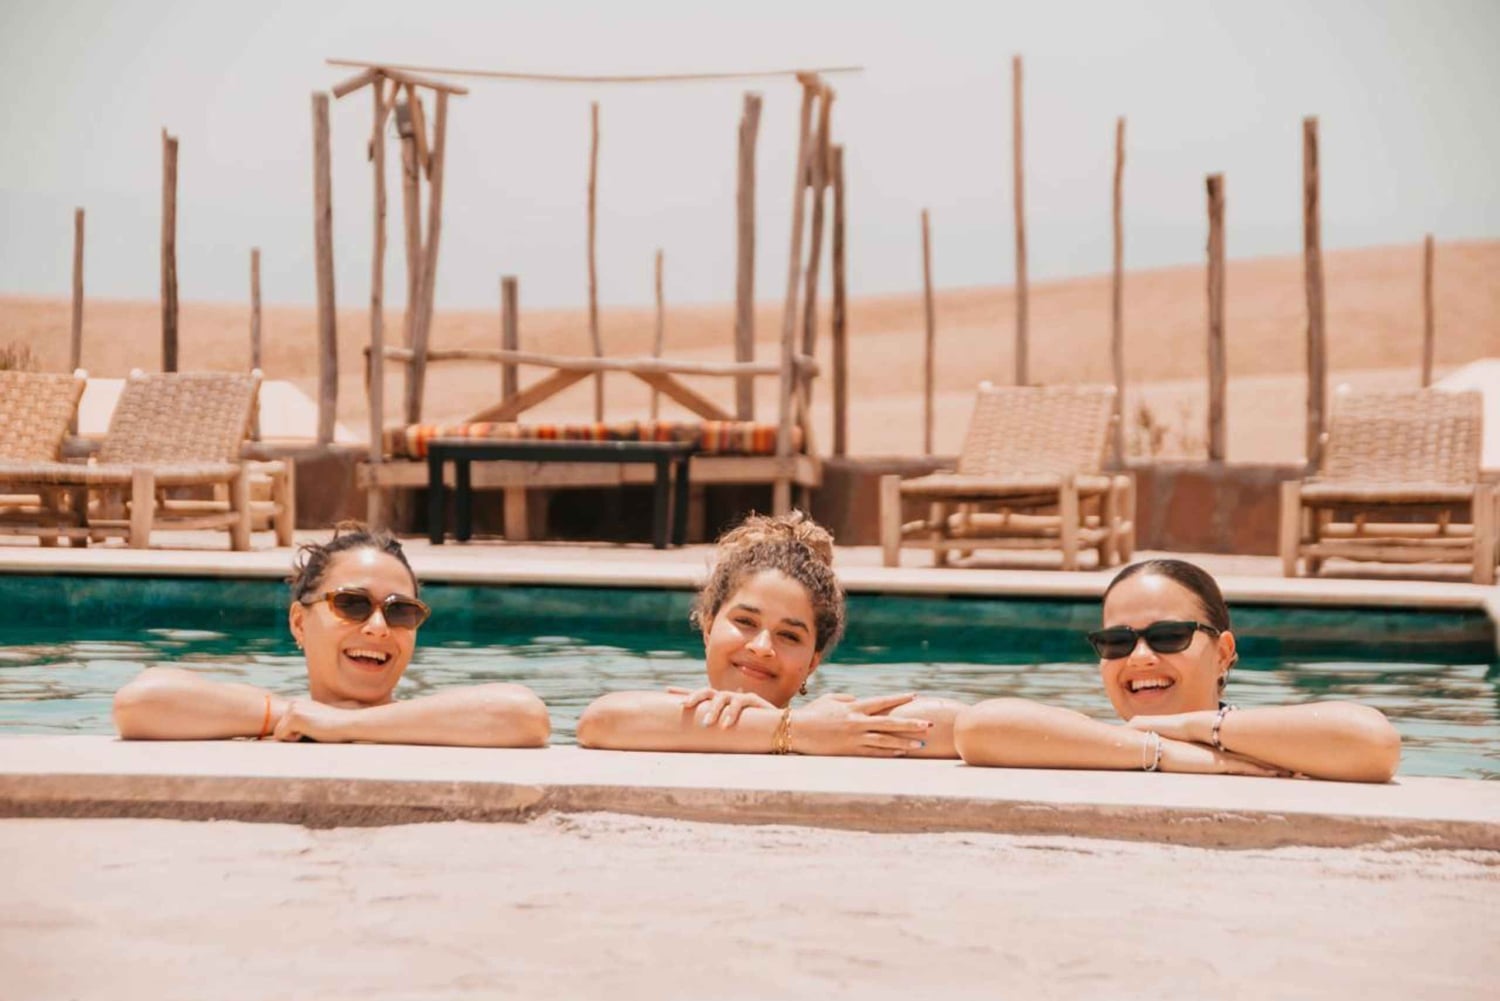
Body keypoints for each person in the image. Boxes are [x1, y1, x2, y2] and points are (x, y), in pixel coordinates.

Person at [954, 558, 1401, 782]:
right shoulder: (1093, 742)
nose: (1140, 656)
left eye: (1169, 636)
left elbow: (1375, 743)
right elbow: (978, 727)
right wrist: (1163, 752)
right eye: (1117, 641)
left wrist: (1190, 728)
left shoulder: (1276, 747)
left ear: (1224, 653)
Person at [113, 527, 550, 747]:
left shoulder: (435, 722)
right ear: (299, 624)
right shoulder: (268, 714)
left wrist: (345, 724)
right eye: (352, 603)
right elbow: (139, 702)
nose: (378, 627)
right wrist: (295, 715)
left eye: (400, 611)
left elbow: (526, 715)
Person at [578, 511, 965, 757]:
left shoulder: (843, 727)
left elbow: (964, 726)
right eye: (745, 622)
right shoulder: (670, 718)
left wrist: (816, 728)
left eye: (790, 636)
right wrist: (794, 731)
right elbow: (599, 721)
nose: (761, 648)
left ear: (813, 662)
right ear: (709, 626)